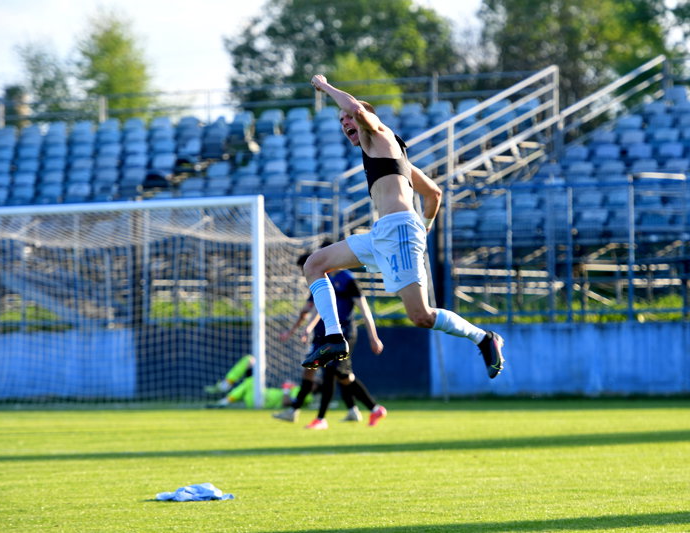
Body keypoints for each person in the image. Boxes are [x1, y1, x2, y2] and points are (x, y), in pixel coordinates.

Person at [300, 74, 505, 379]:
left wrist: (325, 86)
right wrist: (425, 226)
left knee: (421, 316)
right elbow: (434, 194)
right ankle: (333, 337)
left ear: (368, 119)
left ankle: (484, 338)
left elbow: (356, 108)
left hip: (398, 231)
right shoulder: (391, 155)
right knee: (314, 264)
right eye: (341, 121)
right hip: (384, 233)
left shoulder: (378, 134)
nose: (345, 122)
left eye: (348, 118)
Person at [273, 248, 387, 429]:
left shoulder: (347, 280)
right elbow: (317, 309)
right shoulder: (320, 280)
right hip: (323, 335)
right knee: (342, 376)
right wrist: (307, 328)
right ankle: (369, 408)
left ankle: (320, 418)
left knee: (332, 372)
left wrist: (374, 337)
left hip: (343, 334)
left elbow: (365, 310)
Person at [204, 355, 310, 409]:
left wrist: (286, 388)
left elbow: (287, 402)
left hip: (263, 400)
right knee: (249, 362)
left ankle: (226, 392)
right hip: (260, 394)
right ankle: (225, 397)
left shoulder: (306, 394)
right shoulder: (299, 388)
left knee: (250, 377)